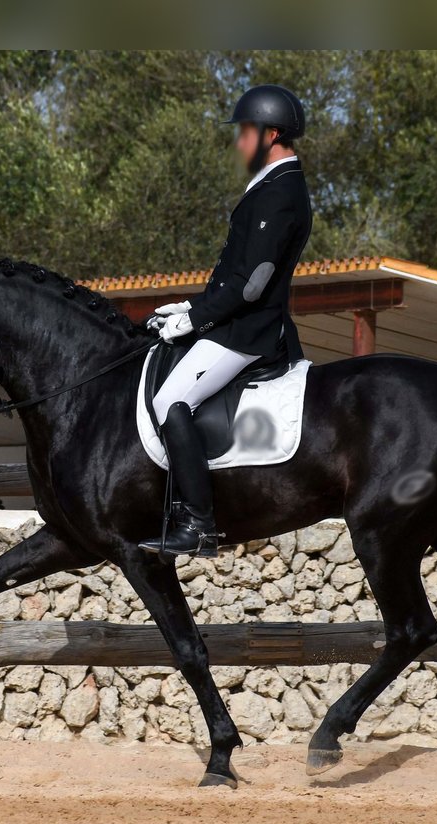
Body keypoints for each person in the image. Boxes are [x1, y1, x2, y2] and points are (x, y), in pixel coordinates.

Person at [139, 84, 313, 558]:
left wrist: (196, 318)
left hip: (247, 331)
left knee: (171, 400)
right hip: (232, 321)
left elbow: (252, 284)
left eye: (245, 132)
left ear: (271, 133)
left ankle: (197, 524)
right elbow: (233, 273)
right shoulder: (268, 187)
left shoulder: (283, 191)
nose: (238, 142)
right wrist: (189, 307)